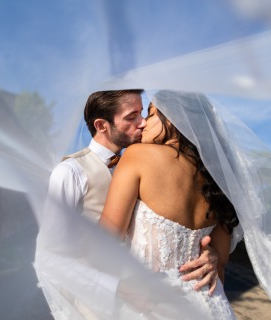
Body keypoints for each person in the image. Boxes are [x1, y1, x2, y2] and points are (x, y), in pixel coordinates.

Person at [39, 90, 219, 319]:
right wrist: (115, 288)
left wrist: (207, 252)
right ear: (102, 125)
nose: (143, 122)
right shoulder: (70, 172)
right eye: (131, 116)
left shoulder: (144, 165)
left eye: (143, 113)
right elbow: (48, 256)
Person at [100, 90, 240, 319]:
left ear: (175, 121)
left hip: (151, 304)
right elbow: (219, 264)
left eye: (152, 114)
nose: (143, 123)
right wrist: (212, 257)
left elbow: (104, 240)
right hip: (211, 306)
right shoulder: (218, 181)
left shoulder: (138, 156)